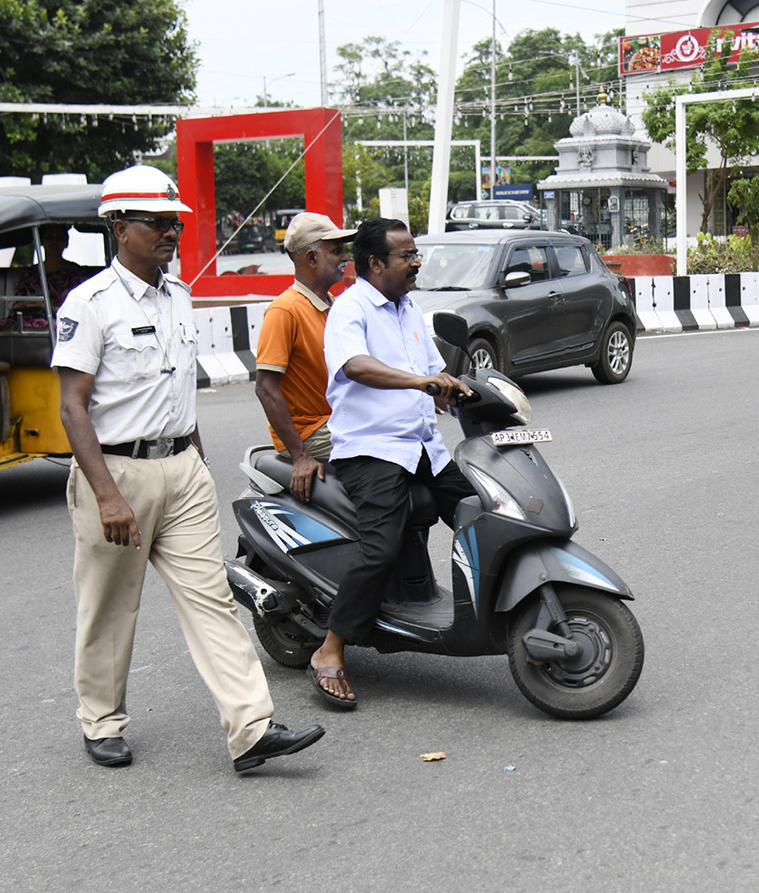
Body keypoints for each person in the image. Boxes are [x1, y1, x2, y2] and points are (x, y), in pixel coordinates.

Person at [51, 165, 324, 771]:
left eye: (174, 221)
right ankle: (101, 721)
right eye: (158, 222)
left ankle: (251, 728)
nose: (172, 231)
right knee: (109, 606)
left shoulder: (179, 296)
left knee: (213, 601)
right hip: (118, 477)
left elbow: (176, 390)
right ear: (120, 228)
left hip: (182, 470)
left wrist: (194, 456)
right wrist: (107, 496)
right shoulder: (89, 305)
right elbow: (73, 408)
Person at [308, 217, 474, 708]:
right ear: (376, 263)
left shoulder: (409, 309)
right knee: (379, 546)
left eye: (415, 253)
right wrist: (420, 382)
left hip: (423, 445)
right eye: (407, 255)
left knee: (479, 509)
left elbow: (428, 372)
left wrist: (456, 387)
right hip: (372, 448)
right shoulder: (350, 309)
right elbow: (355, 365)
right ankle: (330, 647)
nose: (416, 262)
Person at [254, 212, 356, 502]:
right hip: (313, 430)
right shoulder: (285, 310)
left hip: (337, 421)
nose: (344, 258)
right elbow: (265, 388)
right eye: (336, 251)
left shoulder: (334, 305)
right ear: (311, 258)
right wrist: (301, 456)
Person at [3, 224, 92, 328]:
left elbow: (82, 307)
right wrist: (27, 304)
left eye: (59, 238)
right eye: (49, 237)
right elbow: (16, 303)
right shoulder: (30, 273)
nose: (54, 241)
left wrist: (49, 307)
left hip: (62, 322)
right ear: (42, 241)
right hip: (28, 320)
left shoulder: (77, 274)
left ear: (66, 243)